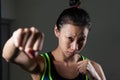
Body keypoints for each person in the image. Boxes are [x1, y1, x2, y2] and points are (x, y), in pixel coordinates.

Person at [2, 0, 106, 80]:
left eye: (81, 39)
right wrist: (17, 37)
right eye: (70, 38)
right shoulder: (42, 64)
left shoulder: (94, 68)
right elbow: (8, 56)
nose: (75, 47)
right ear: (57, 31)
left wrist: (95, 77)